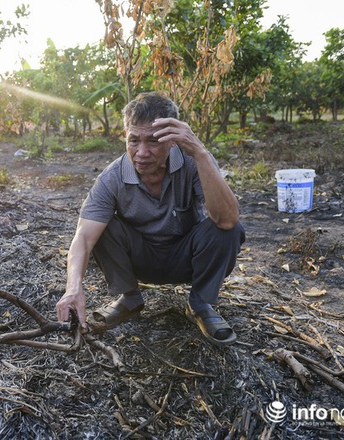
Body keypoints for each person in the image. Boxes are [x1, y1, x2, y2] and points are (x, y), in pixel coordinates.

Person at [55, 91, 245, 346]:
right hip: (140, 260)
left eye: (154, 141)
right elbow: (83, 239)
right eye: (134, 140)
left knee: (228, 229)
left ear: (173, 140)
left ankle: (200, 304)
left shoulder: (194, 162)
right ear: (125, 137)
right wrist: (73, 288)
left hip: (186, 258)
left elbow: (228, 219)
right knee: (100, 226)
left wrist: (199, 152)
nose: (142, 152)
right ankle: (129, 298)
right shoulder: (112, 178)